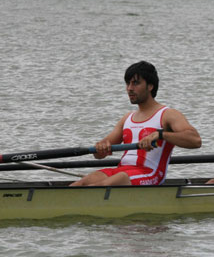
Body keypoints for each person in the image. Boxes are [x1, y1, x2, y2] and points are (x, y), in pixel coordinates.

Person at [70, 61, 202, 186]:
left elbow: (195, 141)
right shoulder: (127, 118)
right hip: (123, 170)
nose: (129, 88)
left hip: (150, 174)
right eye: (128, 84)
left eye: (135, 83)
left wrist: (161, 135)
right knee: (82, 183)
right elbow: (99, 155)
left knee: (111, 182)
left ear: (150, 86)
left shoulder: (168, 114)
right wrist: (100, 147)